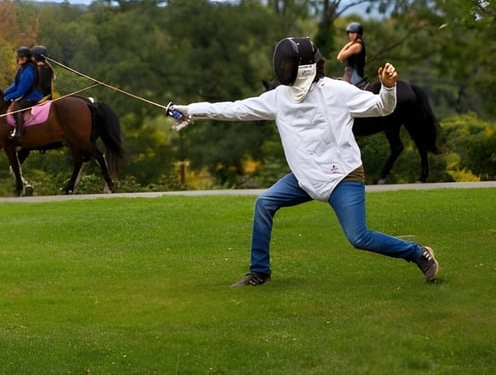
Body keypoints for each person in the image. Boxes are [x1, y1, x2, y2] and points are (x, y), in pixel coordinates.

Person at [167, 37, 439, 287]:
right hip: (305, 179)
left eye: (288, 63)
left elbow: (382, 107)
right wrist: (190, 111)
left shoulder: (337, 91)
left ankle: (418, 253)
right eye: (282, 62)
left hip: (342, 177)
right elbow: (234, 109)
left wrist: (389, 89)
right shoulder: (278, 98)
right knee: (264, 203)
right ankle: (259, 272)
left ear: (305, 67)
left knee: (359, 238)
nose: (282, 67)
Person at [3, 46, 43, 140]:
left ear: (28, 58)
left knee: (17, 108)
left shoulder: (29, 70)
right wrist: (3, 93)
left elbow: (21, 90)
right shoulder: (23, 68)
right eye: (19, 56)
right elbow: (15, 85)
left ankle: (19, 133)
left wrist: (7, 97)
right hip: (26, 94)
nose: (20, 58)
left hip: (33, 95)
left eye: (23, 57)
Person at [336, 21, 367, 87]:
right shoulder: (355, 44)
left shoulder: (356, 46)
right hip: (350, 74)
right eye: (349, 33)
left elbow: (340, 57)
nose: (350, 35)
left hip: (353, 76)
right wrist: (350, 43)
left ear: (358, 34)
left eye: (353, 33)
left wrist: (349, 44)